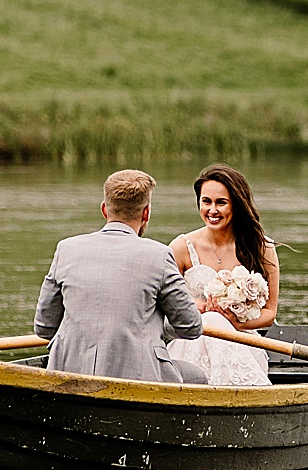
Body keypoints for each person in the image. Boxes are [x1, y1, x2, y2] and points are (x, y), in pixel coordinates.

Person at [34, 169, 208, 383]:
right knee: (198, 377)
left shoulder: (66, 249)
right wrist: (158, 320)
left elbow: (44, 327)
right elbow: (191, 327)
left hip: (68, 372)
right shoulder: (160, 255)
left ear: (104, 210)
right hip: (137, 377)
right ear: (146, 213)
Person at [165, 163, 281, 386]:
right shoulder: (180, 248)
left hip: (242, 343)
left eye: (221, 203)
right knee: (209, 318)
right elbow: (166, 305)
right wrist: (195, 306)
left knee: (214, 319)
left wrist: (233, 322)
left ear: (236, 205)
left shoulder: (262, 247)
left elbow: (269, 313)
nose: (212, 210)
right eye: (206, 201)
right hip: (190, 343)